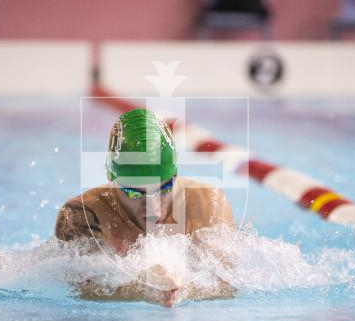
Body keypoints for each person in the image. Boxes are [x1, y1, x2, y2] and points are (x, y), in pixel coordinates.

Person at [55, 108, 235, 306]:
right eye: (135, 192)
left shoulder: (206, 203)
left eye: (164, 188)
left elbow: (226, 286)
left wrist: (184, 288)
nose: (153, 209)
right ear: (111, 179)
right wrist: (138, 288)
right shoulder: (84, 215)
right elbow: (83, 290)